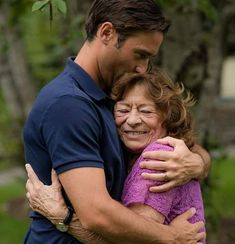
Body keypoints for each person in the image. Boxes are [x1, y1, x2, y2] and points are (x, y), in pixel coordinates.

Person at [23, 0, 210, 243]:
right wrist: (171, 237)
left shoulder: (115, 96)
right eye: (140, 54)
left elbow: (176, 142)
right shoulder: (69, 104)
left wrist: (197, 163)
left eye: (149, 59)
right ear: (107, 33)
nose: (143, 69)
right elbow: (97, 214)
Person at [26, 70, 206, 244]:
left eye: (146, 111)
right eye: (123, 110)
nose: (133, 120)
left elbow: (133, 241)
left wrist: (61, 217)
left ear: (169, 118)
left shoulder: (159, 159)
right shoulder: (138, 152)